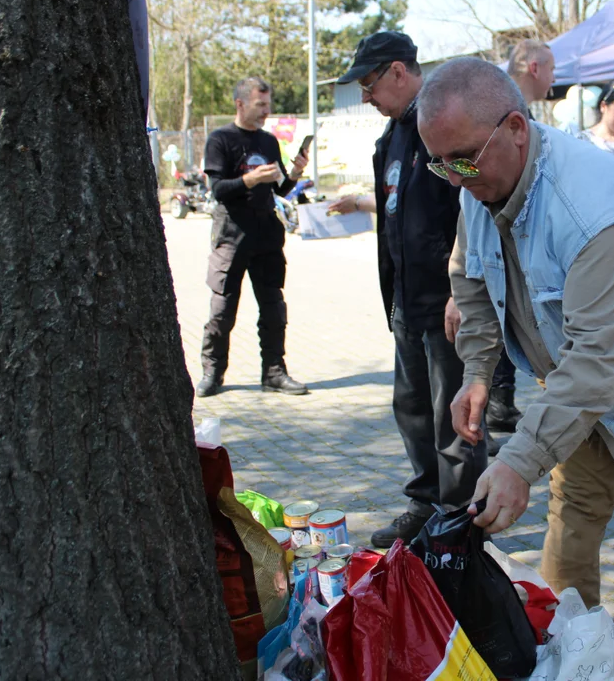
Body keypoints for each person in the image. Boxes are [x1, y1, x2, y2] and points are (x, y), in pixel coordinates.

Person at [419, 57, 614, 681]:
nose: (453, 178)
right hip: (579, 382)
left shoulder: (596, 205)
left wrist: (516, 461)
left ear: (514, 126)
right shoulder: (478, 182)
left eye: (461, 159)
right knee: (574, 514)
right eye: (440, 163)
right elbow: (472, 282)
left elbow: (599, 357)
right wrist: (478, 371)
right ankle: (573, 636)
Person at [327, 32, 486, 548]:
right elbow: (404, 208)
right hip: (405, 300)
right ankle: (426, 502)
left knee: (453, 413)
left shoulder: (441, 124)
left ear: (399, 72)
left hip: (446, 303)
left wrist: (462, 287)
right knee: (413, 406)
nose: (366, 96)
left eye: (370, 83)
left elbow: (475, 205)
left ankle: (462, 517)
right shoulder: (393, 136)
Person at [196, 77, 309, 398]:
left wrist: (296, 173)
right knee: (222, 309)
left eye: (268, 105)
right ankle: (212, 373)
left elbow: (279, 190)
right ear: (240, 104)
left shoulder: (269, 142)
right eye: (261, 105)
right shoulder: (220, 140)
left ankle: (274, 372)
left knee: (273, 307)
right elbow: (218, 190)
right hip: (232, 235)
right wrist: (248, 179)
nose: (266, 111)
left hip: (267, 235)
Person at [481, 38, 559, 435]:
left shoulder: (522, 116)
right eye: (552, 68)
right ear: (533, 68)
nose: (554, 77)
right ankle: (497, 401)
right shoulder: (504, 114)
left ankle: (501, 400)